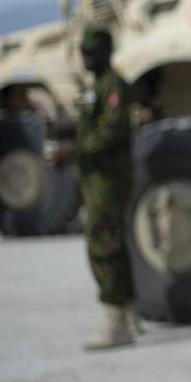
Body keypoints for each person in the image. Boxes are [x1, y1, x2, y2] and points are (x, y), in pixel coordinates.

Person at [53, 26, 139, 350]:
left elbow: (110, 132)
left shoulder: (112, 85)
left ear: (106, 52)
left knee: (104, 245)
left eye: (91, 52)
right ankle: (129, 314)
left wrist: (73, 151)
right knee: (112, 241)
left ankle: (115, 322)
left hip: (108, 178)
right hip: (96, 177)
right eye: (83, 52)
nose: (85, 58)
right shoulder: (97, 86)